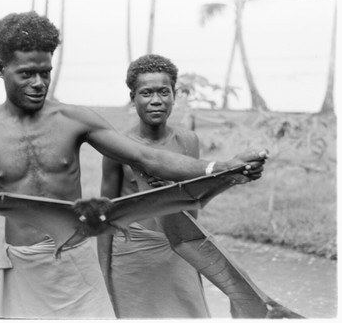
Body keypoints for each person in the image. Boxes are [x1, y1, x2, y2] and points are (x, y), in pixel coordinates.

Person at [0, 12, 266, 319]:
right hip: (23, 264)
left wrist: (222, 167)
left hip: (77, 260)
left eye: (45, 72)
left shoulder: (74, 119)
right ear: (1, 69)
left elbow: (147, 156)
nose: (38, 83)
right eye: (26, 74)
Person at [97, 54, 264, 318]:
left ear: (174, 95)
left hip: (178, 250)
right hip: (132, 255)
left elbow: (193, 203)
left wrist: (236, 175)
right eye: (146, 93)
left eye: (164, 92)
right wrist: (103, 272)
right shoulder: (118, 146)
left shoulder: (188, 140)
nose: (156, 101)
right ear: (133, 98)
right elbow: (106, 215)